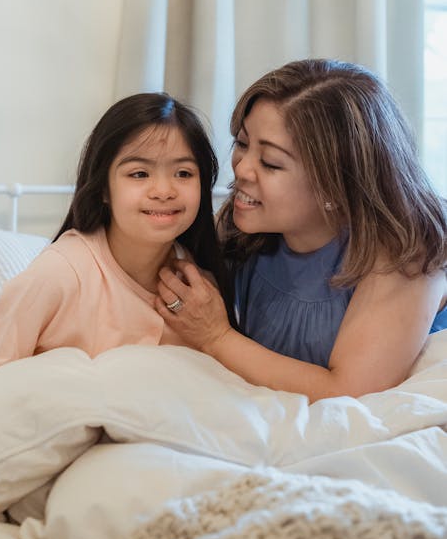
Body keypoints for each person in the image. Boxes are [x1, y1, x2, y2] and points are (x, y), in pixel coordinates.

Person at [156, 59, 447, 402]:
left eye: (271, 163)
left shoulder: (406, 251)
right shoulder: (245, 226)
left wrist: (216, 336)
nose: (242, 169)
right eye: (242, 143)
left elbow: (348, 392)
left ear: (335, 185)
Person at [0, 93, 234, 387]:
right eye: (139, 174)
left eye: (183, 173)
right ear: (103, 189)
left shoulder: (198, 284)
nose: (164, 190)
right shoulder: (59, 273)